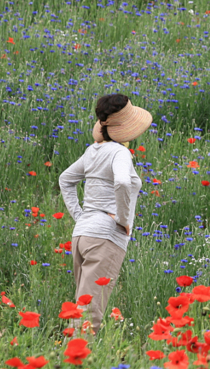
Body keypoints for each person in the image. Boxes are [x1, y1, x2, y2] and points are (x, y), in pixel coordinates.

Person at [58, 94, 152, 334]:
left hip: (83, 235)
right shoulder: (120, 153)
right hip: (105, 237)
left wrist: (81, 216)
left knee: (82, 310)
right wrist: (122, 220)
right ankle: (76, 367)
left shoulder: (93, 151)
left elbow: (65, 179)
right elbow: (121, 182)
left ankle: (68, 365)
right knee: (89, 316)